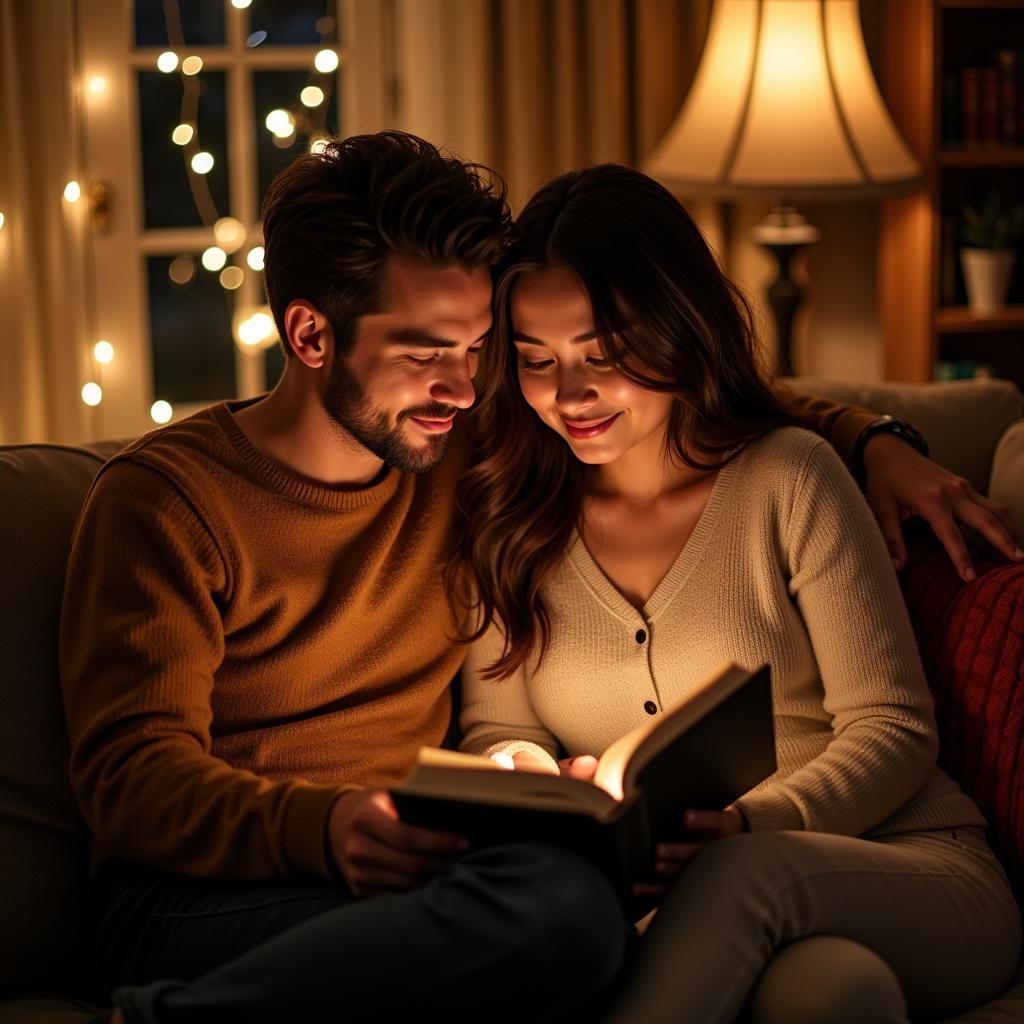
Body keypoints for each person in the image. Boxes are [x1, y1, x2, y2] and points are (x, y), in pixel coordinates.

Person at [61, 131, 1016, 1023]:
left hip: (434, 877)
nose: (467, 387)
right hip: (213, 896)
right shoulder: (163, 503)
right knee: (562, 917)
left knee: (741, 965)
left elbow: (683, 389)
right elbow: (128, 778)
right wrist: (326, 827)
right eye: (429, 352)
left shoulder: (461, 441)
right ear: (311, 338)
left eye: (481, 352)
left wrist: (876, 439)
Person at [454, 164, 1022, 1023]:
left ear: (678, 325)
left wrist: (750, 829)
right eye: (536, 361)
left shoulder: (789, 477)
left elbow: (895, 728)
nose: (568, 395)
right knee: (833, 997)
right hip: (711, 917)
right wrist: (531, 778)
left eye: (603, 355)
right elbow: (500, 723)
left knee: (735, 874)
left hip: (911, 865)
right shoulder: (506, 520)